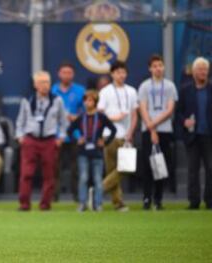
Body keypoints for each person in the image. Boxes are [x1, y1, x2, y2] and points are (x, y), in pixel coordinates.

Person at [16, 71, 67, 211]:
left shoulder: (57, 100)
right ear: (35, 84)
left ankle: (45, 204)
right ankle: (24, 204)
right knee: (26, 173)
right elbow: (20, 120)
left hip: (49, 141)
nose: (46, 85)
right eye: (42, 82)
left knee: (49, 174)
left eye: (48, 82)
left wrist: (61, 138)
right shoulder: (27, 100)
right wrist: (20, 136)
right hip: (30, 140)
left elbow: (63, 121)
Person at [138, 54, 178, 210]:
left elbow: (169, 110)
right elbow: (143, 108)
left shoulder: (169, 86)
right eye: (155, 66)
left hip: (165, 130)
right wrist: (151, 128)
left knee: (162, 165)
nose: (158, 68)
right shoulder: (144, 86)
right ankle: (146, 198)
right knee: (148, 165)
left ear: (164, 67)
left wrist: (154, 125)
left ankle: (158, 199)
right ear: (150, 69)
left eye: (160, 65)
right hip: (147, 130)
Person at [97, 61, 138, 212]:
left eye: (123, 72)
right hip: (109, 135)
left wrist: (131, 132)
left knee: (126, 168)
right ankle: (118, 203)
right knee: (113, 169)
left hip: (126, 136)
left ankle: (98, 190)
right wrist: (114, 118)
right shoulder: (105, 91)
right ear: (112, 74)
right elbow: (100, 114)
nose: (121, 75)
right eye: (118, 72)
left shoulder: (132, 91)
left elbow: (134, 115)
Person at [68, 90, 116, 212]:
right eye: (86, 100)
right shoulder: (81, 117)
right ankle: (82, 203)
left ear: (95, 102)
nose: (87, 103)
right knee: (83, 178)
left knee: (98, 179)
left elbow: (113, 129)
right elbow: (69, 130)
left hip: (97, 153)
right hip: (83, 152)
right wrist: (77, 138)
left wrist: (105, 142)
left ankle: (98, 204)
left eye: (90, 100)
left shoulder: (101, 117)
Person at [177, 57, 212, 210]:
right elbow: (178, 113)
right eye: (200, 69)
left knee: (211, 169)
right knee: (193, 170)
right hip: (192, 136)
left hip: (209, 136)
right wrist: (184, 121)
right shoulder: (185, 90)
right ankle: (194, 202)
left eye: (205, 69)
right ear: (194, 72)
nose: (203, 72)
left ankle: (210, 201)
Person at [51, 62, 86, 201]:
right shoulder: (52, 90)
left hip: (75, 135)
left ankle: (77, 197)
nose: (66, 75)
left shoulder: (80, 90)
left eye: (69, 72)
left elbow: (87, 112)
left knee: (76, 168)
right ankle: (53, 197)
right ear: (59, 74)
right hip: (56, 135)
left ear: (73, 74)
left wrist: (76, 117)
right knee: (54, 168)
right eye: (64, 72)